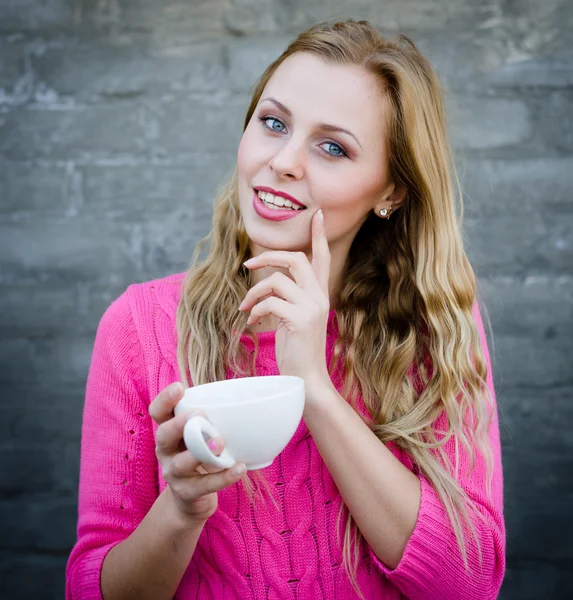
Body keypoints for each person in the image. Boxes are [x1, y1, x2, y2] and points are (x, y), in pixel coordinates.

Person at [66, 19, 505, 600]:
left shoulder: (432, 325)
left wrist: (313, 386)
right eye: (273, 123)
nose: (284, 161)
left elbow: (469, 585)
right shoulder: (138, 328)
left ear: (391, 192)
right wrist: (180, 508)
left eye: (333, 147)